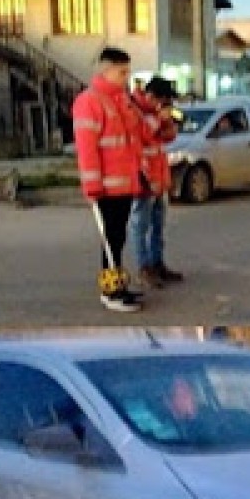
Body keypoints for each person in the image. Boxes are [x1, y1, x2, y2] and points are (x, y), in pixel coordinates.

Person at [72, 47, 148, 312]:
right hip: (106, 187)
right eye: (122, 72)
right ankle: (110, 292)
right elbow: (87, 148)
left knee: (117, 239)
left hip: (124, 184)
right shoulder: (89, 101)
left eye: (128, 71)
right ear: (106, 70)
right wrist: (92, 184)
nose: (126, 77)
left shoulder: (122, 100)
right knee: (110, 240)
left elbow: (137, 136)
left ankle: (118, 285)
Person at [129, 76, 183, 289]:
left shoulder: (155, 113)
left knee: (158, 225)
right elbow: (142, 134)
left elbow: (169, 137)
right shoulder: (134, 109)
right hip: (143, 176)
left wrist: (167, 120)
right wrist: (158, 119)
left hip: (159, 176)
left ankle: (157, 263)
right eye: (163, 100)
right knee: (140, 225)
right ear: (152, 97)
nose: (165, 105)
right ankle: (144, 268)